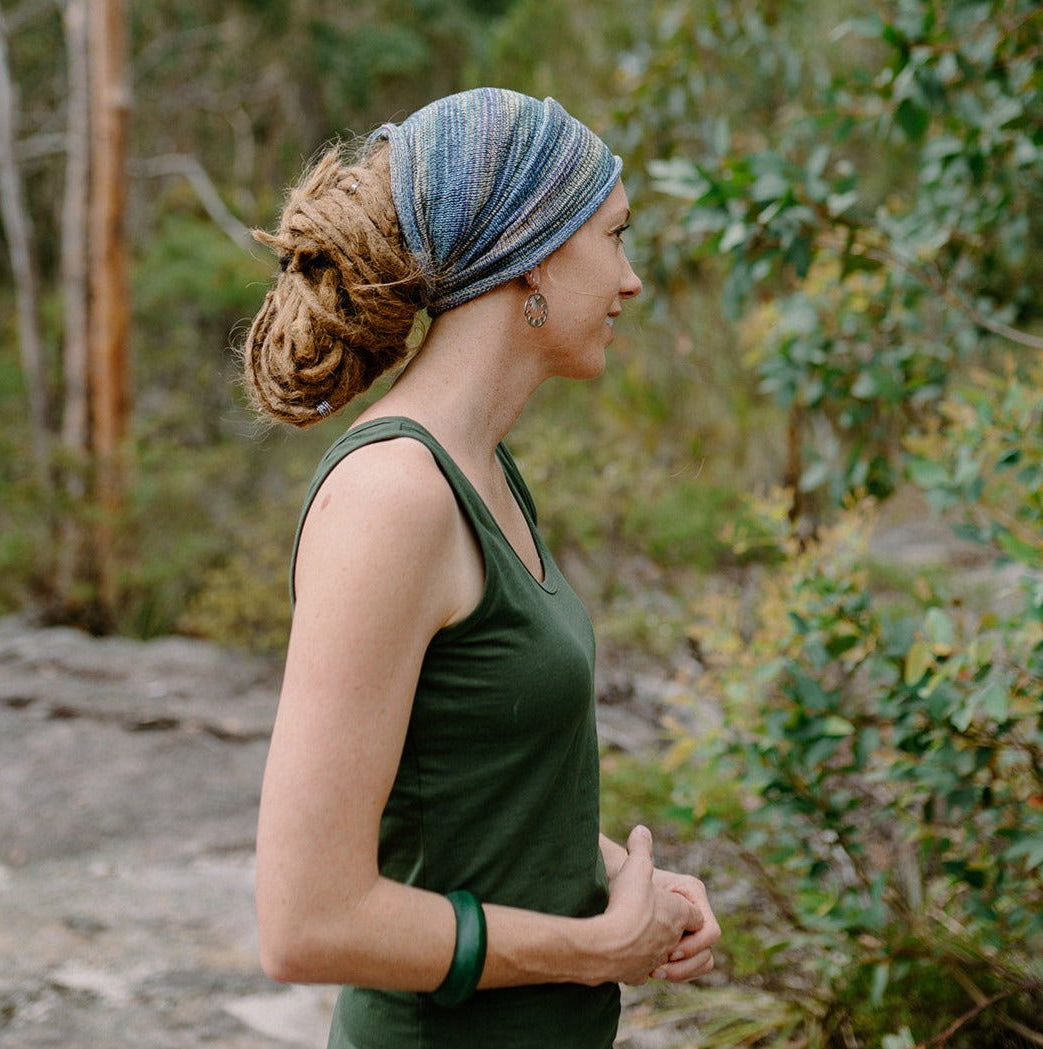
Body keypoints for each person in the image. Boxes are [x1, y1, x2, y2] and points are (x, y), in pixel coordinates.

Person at [245, 87, 721, 1049]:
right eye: (615, 237)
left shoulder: (481, 467)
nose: (629, 281)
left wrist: (627, 889)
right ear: (533, 254)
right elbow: (305, 920)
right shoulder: (393, 499)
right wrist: (593, 948)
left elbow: (464, 798)